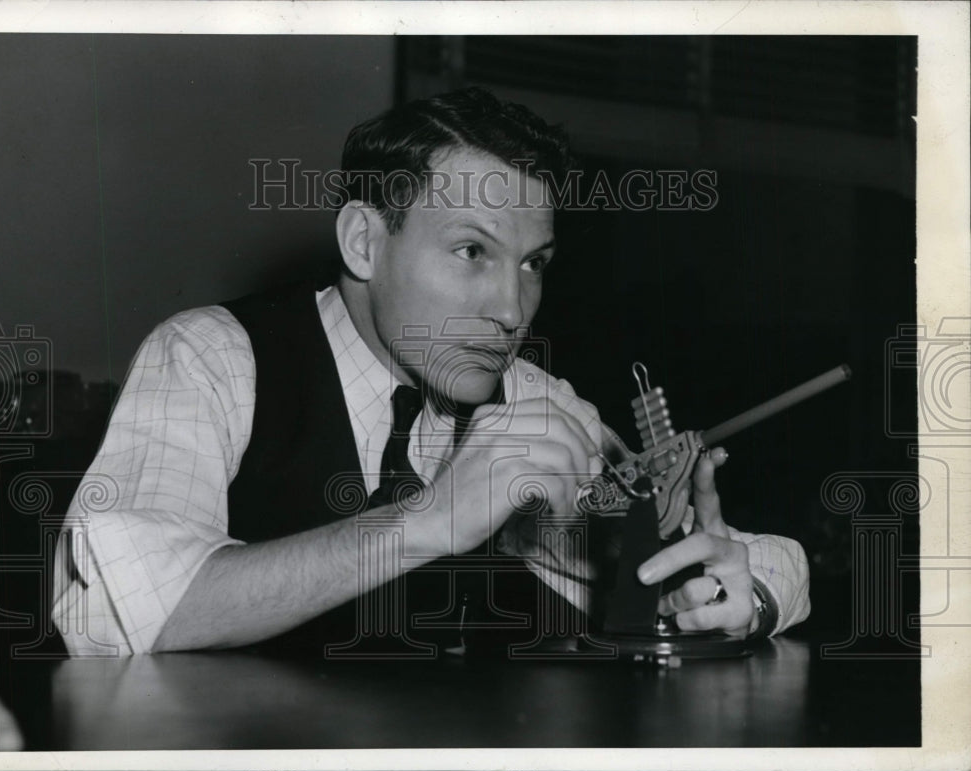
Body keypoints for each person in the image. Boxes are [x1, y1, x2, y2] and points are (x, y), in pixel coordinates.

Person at [52, 87, 809, 656]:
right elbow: (123, 609)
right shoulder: (211, 357)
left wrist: (720, 591)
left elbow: (772, 559)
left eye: (533, 264)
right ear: (362, 241)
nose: (514, 310)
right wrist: (421, 523)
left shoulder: (529, 401)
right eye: (472, 251)